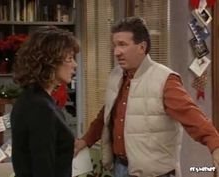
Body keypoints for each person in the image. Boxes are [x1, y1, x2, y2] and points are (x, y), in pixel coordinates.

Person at [74, 17, 219, 177]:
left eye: (122, 44)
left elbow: (192, 116)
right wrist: (85, 140)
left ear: (141, 47)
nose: (116, 52)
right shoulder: (115, 76)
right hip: (120, 168)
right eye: (115, 45)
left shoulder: (164, 79)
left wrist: (215, 145)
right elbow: (106, 116)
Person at [10, 26, 79, 177]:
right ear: (50, 62)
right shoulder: (40, 108)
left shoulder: (30, 99)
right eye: (69, 58)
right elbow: (43, 169)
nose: (75, 65)